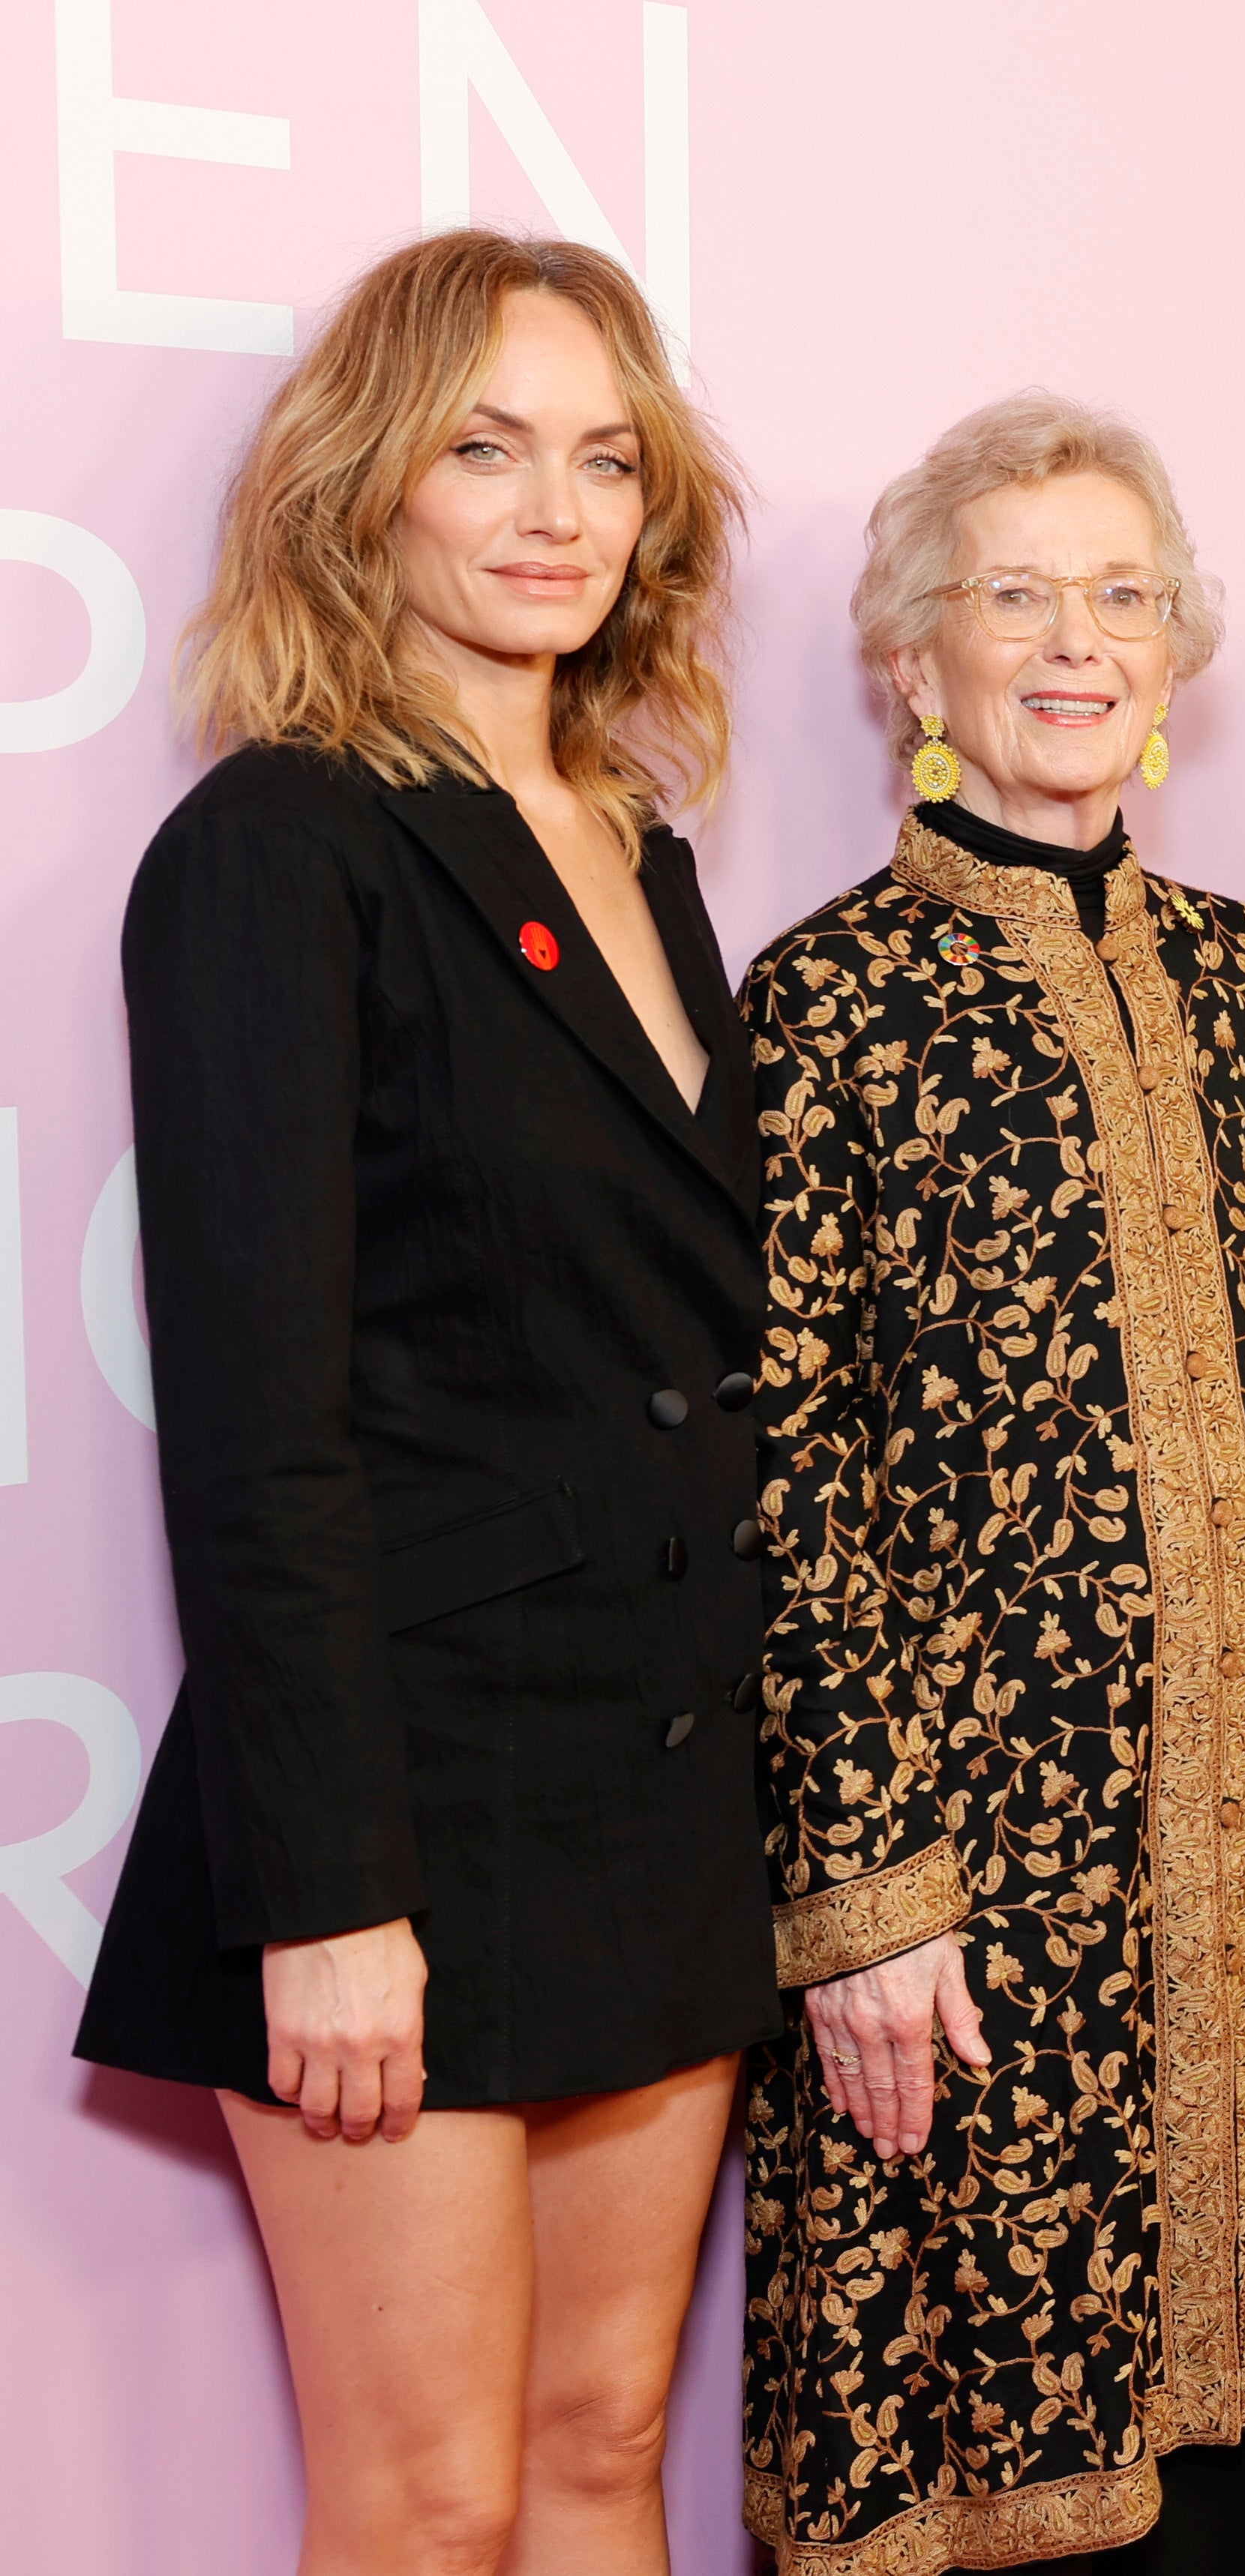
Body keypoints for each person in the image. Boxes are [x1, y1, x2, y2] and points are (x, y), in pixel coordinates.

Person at [70, 229, 772, 2576]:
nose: (554, 508)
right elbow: (262, 1429)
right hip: (408, 1804)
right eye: (487, 447)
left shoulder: (645, 858)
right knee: (430, 2490)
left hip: (653, 1784)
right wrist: (332, 1896)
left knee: (596, 2448)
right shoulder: (275, 851)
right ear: (369, 484)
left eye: (602, 455)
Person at [736, 394, 1245, 2576]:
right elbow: (786, 1461)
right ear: (916, 665)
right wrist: (866, 1889)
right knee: (986, 2438)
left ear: (1176, 654)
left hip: (1237, 1823)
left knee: (1217, 2455)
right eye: (1013, 595)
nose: (1074, 640)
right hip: (965, 1870)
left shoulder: (1238, 973)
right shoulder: (822, 1000)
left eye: (1120, 595)